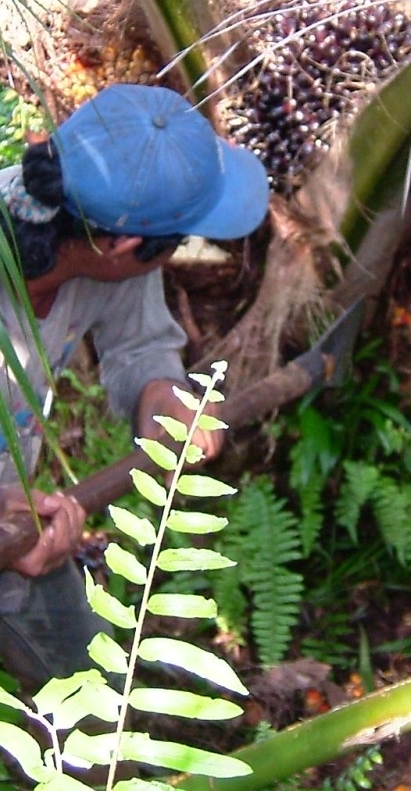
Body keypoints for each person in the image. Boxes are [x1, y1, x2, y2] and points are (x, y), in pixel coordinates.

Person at [0, 82, 270, 690]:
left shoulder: (101, 237)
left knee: (88, 702)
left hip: (17, 521)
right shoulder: (103, 241)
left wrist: (161, 397)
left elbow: (139, 345)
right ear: (124, 246)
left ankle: (89, 775)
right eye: (175, 241)